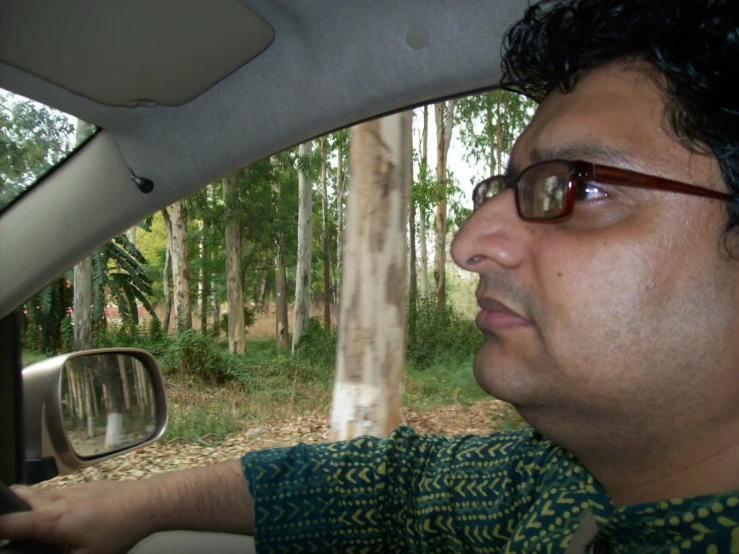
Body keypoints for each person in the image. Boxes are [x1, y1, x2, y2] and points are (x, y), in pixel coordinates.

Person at [3, 0, 739, 552]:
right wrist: (137, 504)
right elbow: (387, 487)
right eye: (501, 190)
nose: (468, 242)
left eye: (576, 187)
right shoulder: (555, 481)